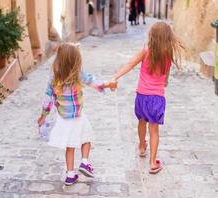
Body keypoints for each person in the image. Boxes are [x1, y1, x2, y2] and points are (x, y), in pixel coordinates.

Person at [38, 43, 117, 185]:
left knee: (70, 146)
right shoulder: (78, 75)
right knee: (86, 137)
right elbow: (95, 82)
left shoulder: (53, 78)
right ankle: (85, 162)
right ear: (76, 60)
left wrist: (43, 115)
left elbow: (47, 98)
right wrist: (108, 84)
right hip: (78, 116)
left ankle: (70, 175)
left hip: (63, 118)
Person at [110, 22, 184, 174]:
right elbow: (166, 75)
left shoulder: (145, 51)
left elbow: (130, 64)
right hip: (157, 98)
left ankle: (142, 146)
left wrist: (115, 77)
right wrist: (164, 82)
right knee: (154, 130)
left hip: (142, 96)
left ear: (152, 36)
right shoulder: (168, 54)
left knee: (141, 122)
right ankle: (152, 162)